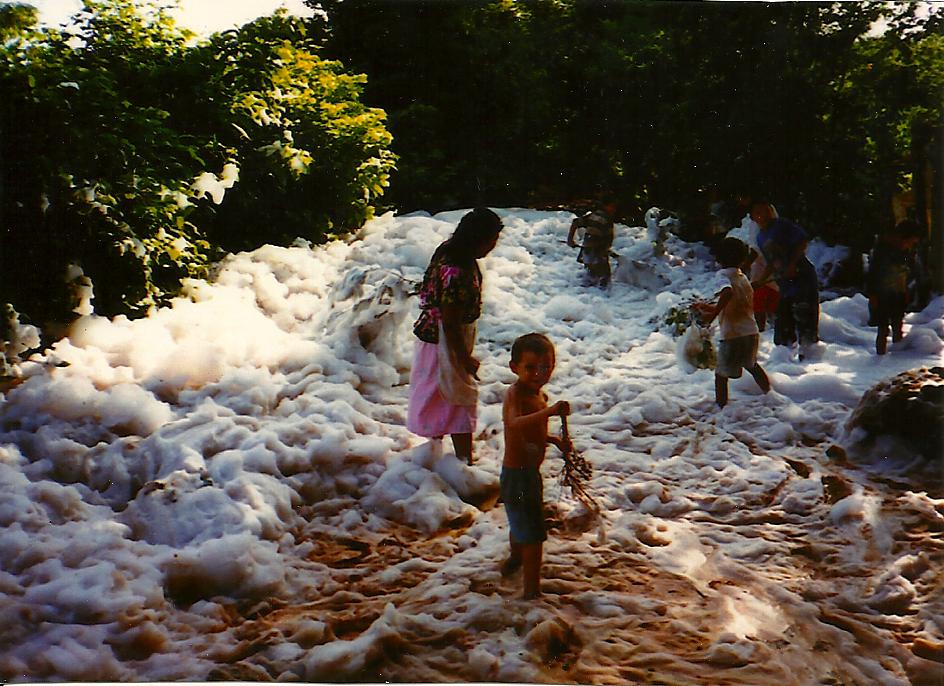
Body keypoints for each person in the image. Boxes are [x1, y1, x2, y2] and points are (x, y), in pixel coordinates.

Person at [407, 207, 503, 465]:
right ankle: (463, 462)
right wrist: (463, 358)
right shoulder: (457, 271)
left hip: (434, 336)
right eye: (490, 241)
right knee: (460, 397)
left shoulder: (449, 250)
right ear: (476, 238)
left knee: (440, 393)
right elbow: (450, 322)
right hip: (444, 339)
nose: (491, 248)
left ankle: (433, 455)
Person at [500, 333, 570, 599]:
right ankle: (531, 592)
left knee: (521, 522)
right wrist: (550, 412)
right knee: (532, 535)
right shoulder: (515, 394)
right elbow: (515, 423)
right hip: (516, 475)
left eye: (545, 367)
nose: (538, 374)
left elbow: (533, 431)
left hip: (529, 474)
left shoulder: (539, 394)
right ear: (513, 367)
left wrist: (554, 440)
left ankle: (515, 560)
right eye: (530, 367)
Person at [694, 237, 771, 408]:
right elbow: (732, 301)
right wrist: (706, 306)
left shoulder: (722, 275)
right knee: (752, 365)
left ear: (718, 258)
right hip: (751, 332)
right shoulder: (742, 277)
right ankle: (771, 395)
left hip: (733, 334)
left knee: (721, 375)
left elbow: (727, 293)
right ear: (743, 259)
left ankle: (721, 409)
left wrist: (713, 313)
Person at [749, 200, 819, 357]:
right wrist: (760, 281)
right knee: (783, 323)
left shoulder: (781, 225)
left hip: (803, 277)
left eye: (766, 211)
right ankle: (784, 361)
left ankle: (809, 358)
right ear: (753, 218)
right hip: (786, 284)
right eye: (759, 212)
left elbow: (802, 241)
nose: (764, 215)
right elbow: (772, 262)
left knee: (805, 318)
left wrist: (792, 264)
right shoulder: (760, 237)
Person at [867, 219, 921, 355]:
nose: (910, 245)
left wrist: (907, 290)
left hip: (898, 293)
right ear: (903, 237)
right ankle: (880, 359)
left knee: (898, 326)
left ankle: (897, 357)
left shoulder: (905, 252)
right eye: (910, 241)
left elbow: (908, 272)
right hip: (881, 295)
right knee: (883, 328)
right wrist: (872, 295)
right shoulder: (882, 250)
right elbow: (872, 274)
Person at [567, 199, 617, 288]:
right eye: (612, 206)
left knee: (590, 274)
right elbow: (608, 239)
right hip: (597, 251)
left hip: (587, 250)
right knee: (603, 277)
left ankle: (585, 291)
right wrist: (606, 250)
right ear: (606, 206)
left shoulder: (593, 215)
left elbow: (575, 223)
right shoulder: (607, 219)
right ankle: (603, 293)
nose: (613, 209)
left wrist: (570, 239)